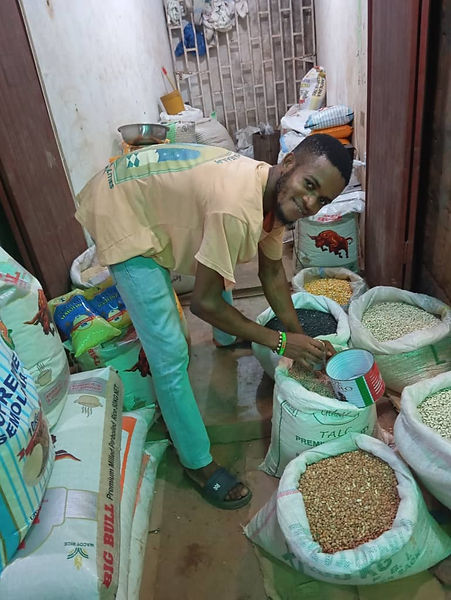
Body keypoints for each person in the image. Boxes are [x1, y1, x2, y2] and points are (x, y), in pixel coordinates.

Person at [75, 134, 352, 509]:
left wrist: (300, 338)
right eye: (310, 185)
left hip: (148, 189)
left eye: (323, 200)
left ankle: (226, 336)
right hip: (122, 207)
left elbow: (272, 273)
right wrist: (281, 342)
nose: (310, 203)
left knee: (219, 258)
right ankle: (196, 462)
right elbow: (203, 304)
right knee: (169, 352)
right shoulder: (236, 208)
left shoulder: (275, 193)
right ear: (288, 163)